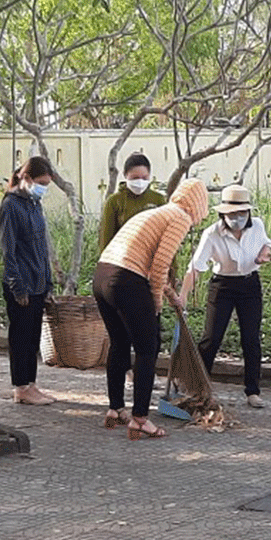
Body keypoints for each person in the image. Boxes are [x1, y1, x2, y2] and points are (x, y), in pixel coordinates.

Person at [93, 178, 209, 439]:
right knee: (148, 347)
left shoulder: (157, 212)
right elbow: (159, 265)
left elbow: (143, 261)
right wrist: (156, 300)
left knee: (119, 343)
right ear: (199, 204)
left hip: (103, 275)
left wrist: (169, 295)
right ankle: (140, 419)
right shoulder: (180, 217)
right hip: (125, 280)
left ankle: (115, 409)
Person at [177, 184, 271, 409]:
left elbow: (267, 245)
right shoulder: (212, 233)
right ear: (223, 213)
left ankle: (253, 391)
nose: (237, 218)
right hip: (222, 286)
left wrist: (263, 255)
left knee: (251, 339)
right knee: (212, 337)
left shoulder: (257, 225)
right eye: (232, 214)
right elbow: (195, 267)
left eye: (241, 213)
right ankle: (197, 386)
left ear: (249, 212)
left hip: (250, 284)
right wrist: (182, 296)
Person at [0, 155, 57, 405]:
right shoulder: (11, 205)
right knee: (21, 338)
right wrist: (16, 285)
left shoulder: (34, 204)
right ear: (27, 178)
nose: (44, 187)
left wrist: (48, 282)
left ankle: (31, 384)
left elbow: (41, 248)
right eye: (41, 182)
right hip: (21, 282)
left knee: (33, 337)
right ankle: (20, 386)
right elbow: (8, 249)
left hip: (38, 281)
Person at [98, 152, 167, 252]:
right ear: (126, 175)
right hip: (123, 260)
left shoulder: (158, 200)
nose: (140, 182)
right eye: (135, 178)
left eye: (144, 178)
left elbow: (166, 238)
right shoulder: (114, 201)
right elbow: (106, 240)